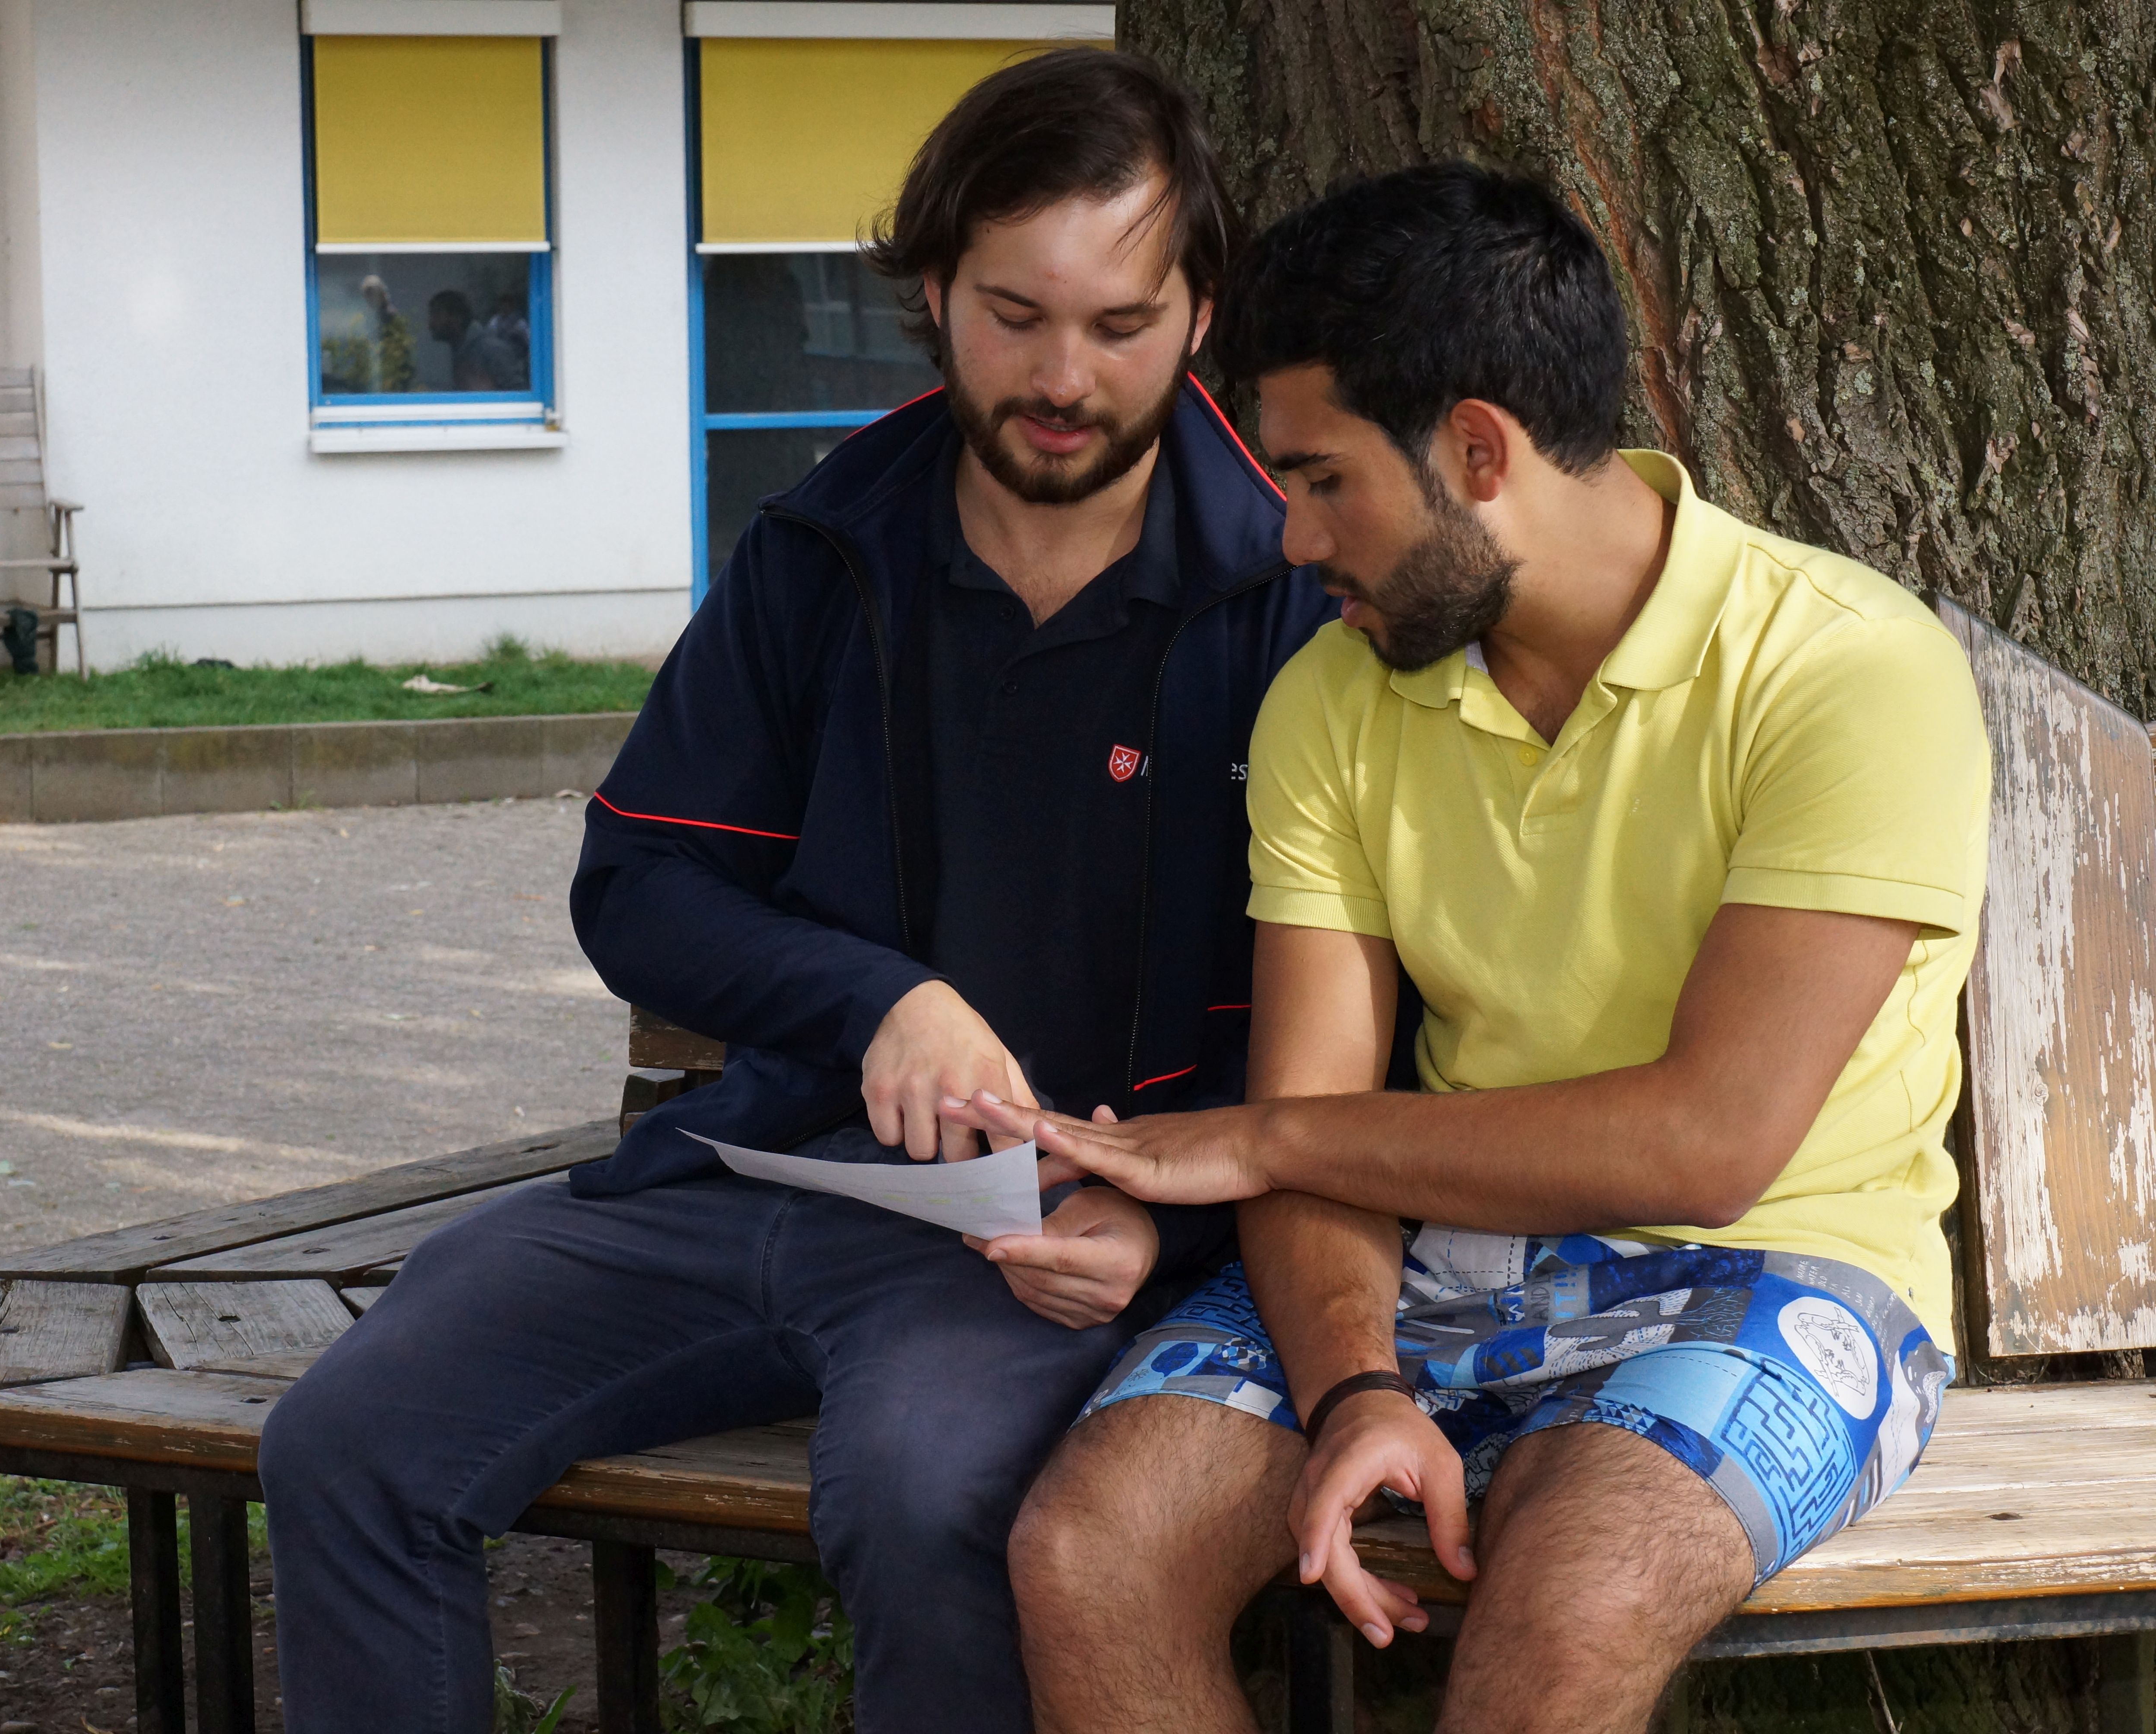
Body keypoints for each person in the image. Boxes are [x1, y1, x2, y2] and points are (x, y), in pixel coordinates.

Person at [258, 49, 1350, 1734]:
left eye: (1121, 325)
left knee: (934, 1506)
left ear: (1201, 310)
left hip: (1041, 1239)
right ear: (931, 289)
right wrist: (876, 1000)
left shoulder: (1294, 590)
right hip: (751, 1175)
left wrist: (1171, 1215)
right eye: (1014, 314)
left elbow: (1374, 1026)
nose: (1065, 376)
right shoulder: (828, 539)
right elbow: (636, 883)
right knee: (346, 1443)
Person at [944, 164, 1989, 1734]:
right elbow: (1311, 1148)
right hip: (1427, 1251)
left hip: (1783, 1268)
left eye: (1323, 481)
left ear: (1480, 451)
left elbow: (1707, 1144)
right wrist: (1358, 1389)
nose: (1293, 543)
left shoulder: (1844, 675)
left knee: (1573, 1602)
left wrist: (1261, 1138)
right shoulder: (1338, 702)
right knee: (1094, 1551)